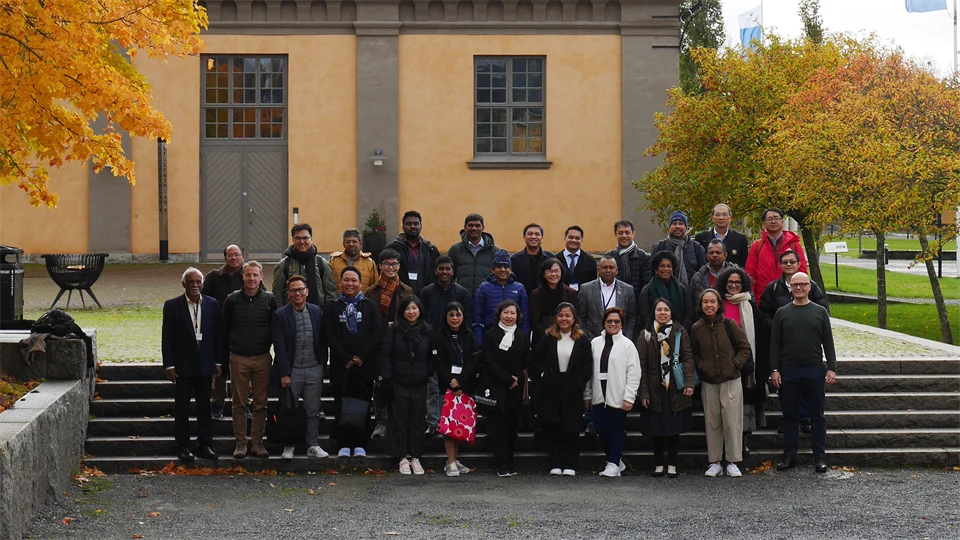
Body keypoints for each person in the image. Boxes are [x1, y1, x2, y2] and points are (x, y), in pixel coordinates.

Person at [770, 272, 838, 473]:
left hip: (814, 369)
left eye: (803, 284)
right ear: (790, 287)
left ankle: (820, 456)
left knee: (817, 415)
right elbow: (775, 344)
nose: (799, 288)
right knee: (790, 415)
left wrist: (832, 367)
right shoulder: (782, 313)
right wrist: (774, 369)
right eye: (795, 284)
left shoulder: (820, 312)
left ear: (809, 287)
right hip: (788, 370)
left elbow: (828, 341)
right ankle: (790, 455)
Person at [759, 249, 827, 435]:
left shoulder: (810, 286)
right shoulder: (772, 288)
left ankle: (805, 419)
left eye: (792, 262)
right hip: (782, 345)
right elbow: (763, 313)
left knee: (806, 387)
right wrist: (780, 326)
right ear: (780, 265)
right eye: (785, 262)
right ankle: (789, 418)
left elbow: (823, 311)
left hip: (807, 347)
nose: (788, 265)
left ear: (798, 264)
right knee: (786, 387)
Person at [162, 268, 222, 462]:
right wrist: (169, 365)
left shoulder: (212, 304)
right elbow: (167, 338)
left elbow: (217, 334)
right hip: (182, 367)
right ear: (184, 284)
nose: (195, 285)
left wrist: (218, 361)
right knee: (182, 408)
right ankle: (183, 446)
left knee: (205, 408)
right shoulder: (172, 306)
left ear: (202, 284)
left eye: (198, 281)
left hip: (205, 366)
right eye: (191, 282)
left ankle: (205, 444)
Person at [690, 289, 751, 478]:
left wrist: (736, 364)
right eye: (705, 302)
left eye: (712, 302)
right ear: (701, 305)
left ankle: (733, 460)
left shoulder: (729, 325)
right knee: (712, 421)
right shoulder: (697, 328)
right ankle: (715, 461)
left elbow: (744, 347)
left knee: (732, 421)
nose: (709, 305)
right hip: (709, 381)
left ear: (718, 304)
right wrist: (702, 366)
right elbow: (694, 353)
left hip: (731, 380)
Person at [323, 267, 382, 459]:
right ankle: (343, 444)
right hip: (342, 366)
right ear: (340, 282)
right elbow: (329, 335)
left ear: (359, 283)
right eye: (346, 280)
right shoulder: (332, 306)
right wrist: (345, 358)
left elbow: (376, 332)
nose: (350, 284)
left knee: (363, 405)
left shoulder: (370, 305)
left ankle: (360, 444)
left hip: (364, 365)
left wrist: (361, 356)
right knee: (341, 404)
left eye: (354, 280)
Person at [222, 261, 279, 459]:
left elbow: (275, 329)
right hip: (238, 358)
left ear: (261, 277)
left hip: (262, 357)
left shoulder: (270, 300)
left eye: (255, 275)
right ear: (243, 277)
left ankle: (257, 442)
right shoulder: (232, 300)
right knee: (238, 403)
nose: (252, 279)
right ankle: (240, 443)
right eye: (248, 275)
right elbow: (225, 329)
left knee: (261, 403)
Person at [271, 275, 330, 460]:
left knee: (313, 409)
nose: (297, 293)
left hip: (314, 368)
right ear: (288, 294)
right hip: (292, 370)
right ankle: (289, 445)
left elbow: (323, 338)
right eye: (293, 290)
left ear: (307, 291)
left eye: (300, 290)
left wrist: (322, 363)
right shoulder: (280, 315)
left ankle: (312, 444)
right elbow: (279, 346)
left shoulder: (316, 311)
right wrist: (284, 373)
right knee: (289, 409)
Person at [637, 299, 695, 478]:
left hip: (674, 387)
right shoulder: (645, 334)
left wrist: (689, 383)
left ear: (672, 312)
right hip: (655, 388)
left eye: (666, 310)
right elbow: (642, 365)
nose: (662, 313)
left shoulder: (680, 332)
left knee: (673, 428)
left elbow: (688, 358)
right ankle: (658, 463)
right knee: (656, 429)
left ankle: (672, 463)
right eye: (659, 310)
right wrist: (643, 391)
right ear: (653, 313)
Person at [535, 303, 592, 476]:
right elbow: (537, 360)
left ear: (574, 318)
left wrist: (579, 383)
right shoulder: (548, 337)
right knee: (554, 427)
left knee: (571, 428)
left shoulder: (582, 339)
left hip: (572, 388)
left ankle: (571, 463)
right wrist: (545, 377)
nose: (564, 319)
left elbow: (587, 364)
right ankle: (555, 462)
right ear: (556, 318)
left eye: (568, 316)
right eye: (561, 315)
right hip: (552, 388)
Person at [715, 267, 768, 454]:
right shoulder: (717, 305)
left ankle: (743, 440)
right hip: (721, 362)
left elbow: (760, 337)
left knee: (745, 403)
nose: (734, 286)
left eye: (738, 282)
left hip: (745, 365)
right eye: (730, 282)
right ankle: (722, 443)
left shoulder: (750, 306)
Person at [418, 256, 473, 434]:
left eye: (447, 269)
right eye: (441, 269)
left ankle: (454, 422)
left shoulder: (462, 292)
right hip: (432, 345)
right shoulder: (426, 292)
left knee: (454, 385)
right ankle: (433, 423)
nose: (444, 272)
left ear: (453, 271)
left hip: (455, 346)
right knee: (433, 387)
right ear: (435, 271)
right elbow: (421, 318)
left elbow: (468, 319)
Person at [475, 300, 530, 477]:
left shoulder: (522, 335)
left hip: (515, 388)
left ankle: (510, 463)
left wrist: (518, 378)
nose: (509, 316)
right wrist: (507, 379)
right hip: (497, 386)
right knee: (498, 429)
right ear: (499, 314)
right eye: (506, 312)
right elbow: (489, 361)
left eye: (513, 313)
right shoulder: (491, 334)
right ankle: (501, 465)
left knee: (512, 427)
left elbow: (528, 362)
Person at [584, 307, 640, 478]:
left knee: (616, 430)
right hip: (598, 396)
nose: (613, 324)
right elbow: (588, 370)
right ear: (604, 323)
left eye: (616, 321)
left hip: (618, 395)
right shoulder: (595, 343)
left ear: (622, 324)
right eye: (609, 321)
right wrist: (587, 394)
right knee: (601, 429)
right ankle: (615, 460)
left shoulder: (627, 345)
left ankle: (613, 463)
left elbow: (634, 372)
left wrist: (629, 397)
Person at [380, 296, 433, 475]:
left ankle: (416, 457)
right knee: (399, 420)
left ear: (420, 310)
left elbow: (432, 355)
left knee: (418, 420)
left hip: (419, 381)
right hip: (398, 381)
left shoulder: (427, 330)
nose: (411, 312)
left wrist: (428, 372)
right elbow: (385, 353)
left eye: (414, 308)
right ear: (402, 311)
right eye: (408, 309)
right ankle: (402, 457)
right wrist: (387, 376)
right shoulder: (393, 329)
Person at [365, 248, 412, 438]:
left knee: (399, 384)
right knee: (379, 385)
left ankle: (397, 420)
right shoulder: (372, 291)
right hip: (379, 344)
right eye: (386, 264)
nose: (390, 268)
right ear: (380, 266)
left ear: (399, 266)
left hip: (400, 343)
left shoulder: (406, 291)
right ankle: (381, 421)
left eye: (394, 264)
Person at [431, 301, 481, 477]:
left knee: (459, 425)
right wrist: (451, 381)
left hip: (465, 385)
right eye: (451, 315)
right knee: (448, 426)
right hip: (446, 387)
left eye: (458, 315)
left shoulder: (468, 335)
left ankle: (454, 459)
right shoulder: (438, 336)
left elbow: (474, 359)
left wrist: (461, 380)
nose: (455, 318)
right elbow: (438, 363)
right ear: (445, 317)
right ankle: (450, 461)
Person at [202, 244, 245, 419]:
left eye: (237, 255)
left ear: (242, 257)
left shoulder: (248, 275)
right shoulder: (214, 277)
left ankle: (243, 404)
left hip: (242, 332)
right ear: (225, 258)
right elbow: (204, 301)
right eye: (230, 255)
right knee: (218, 370)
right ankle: (217, 404)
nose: (234, 258)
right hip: (218, 331)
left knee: (241, 372)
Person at [745, 208, 808, 298]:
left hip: (790, 293)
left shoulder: (793, 244)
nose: (773, 221)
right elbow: (750, 273)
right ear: (764, 223)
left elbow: (802, 269)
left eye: (776, 218)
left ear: (782, 222)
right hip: (764, 295)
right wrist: (751, 295)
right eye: (769, 219)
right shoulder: (757, 246)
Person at [473, 249, 530, 347]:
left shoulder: (519, 288)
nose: (503, 269)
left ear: (510, 269)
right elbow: (477, 318)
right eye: (499, 266)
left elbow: (525, 319)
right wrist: (480, 343)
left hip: (514, 338)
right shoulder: (483, 288)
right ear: (492, 269)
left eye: (506, 266)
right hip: (490, 338)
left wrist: (525, 342)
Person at [273, 223, 337, 306]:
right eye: (298, 238)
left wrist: (327, 314)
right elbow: (277, 293)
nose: (302, 242)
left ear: (311, 239)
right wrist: (281, 314)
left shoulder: (322, 264)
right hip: (291, 315)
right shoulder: (283, 265)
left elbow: (330, 293)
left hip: (318, 314)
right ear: (293, 239)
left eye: (305, 238)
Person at [578, 256, 638, 340]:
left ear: (616, 271)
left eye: (611, 267)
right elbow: (581, 317)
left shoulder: (627, 290)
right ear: (598, 270)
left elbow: (631, 317)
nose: (608, 270)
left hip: (620, 339)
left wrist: (626, 337)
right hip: (593, 339)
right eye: (604, 267)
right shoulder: (586, 289)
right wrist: (586, 337)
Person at [385, 210, 441, 295]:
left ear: (421, 226)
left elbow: (438, 276)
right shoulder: (391, 249)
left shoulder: (431, 250)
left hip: (426, 298)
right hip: (398, 296)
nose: (413, 226)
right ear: (403, 226)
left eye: (416, 223)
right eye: (409, 224)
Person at [638, 251, 695, 331]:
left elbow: (689, 314)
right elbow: (645, 317)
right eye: (662, 266)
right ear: (656, 269)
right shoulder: (647, 291)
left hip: (679, 334)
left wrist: (681, 331)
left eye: (669, 266)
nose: (666, 269)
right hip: (654, 334)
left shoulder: (682, 289)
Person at [529, 258, 579, 347]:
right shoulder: (536, 294)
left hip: (566, 337)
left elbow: (575, 317)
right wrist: (549, 335)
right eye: (549, 271)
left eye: (556, 271)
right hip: (542, 339)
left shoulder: (571, 293)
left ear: (561, 273)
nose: (553, 274)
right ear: (544, 274)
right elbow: (535, 321)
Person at [448, 213, 499, 297]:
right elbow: (449, 276)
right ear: (465, 227)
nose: (474, 228)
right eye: (470, 225)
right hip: (461, 299)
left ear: (483, 228)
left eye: (478, 225)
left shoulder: (495, 251)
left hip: (486, 298)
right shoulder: (455, 250)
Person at [651, 211, 706, 287]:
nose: (677, 226)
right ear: (669, 227)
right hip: (665, 294)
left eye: (681, 223)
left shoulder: (697, 248)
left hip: (691, 294)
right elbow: (651, 274)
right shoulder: (659, 247)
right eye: (674, 223)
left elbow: (703, 276)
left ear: (686, 227)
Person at [606, 219, 651, 304]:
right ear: (615, 234)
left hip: (638, 303)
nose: (624, 236)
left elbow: (647, 285)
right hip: (613, 302)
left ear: (633, 234)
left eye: (627, 232)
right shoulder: (609, 256)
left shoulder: (644, 257)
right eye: (620, 233)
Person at [510, 223, 556, 297]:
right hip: (522, 299)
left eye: (537, 234)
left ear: (542, 237)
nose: (533, 237)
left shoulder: (550, 258)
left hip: (546, 299)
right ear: (524, 237)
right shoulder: (515, 259)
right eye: (530, 234)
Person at [330, 229, 379, 293]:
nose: (351, 244)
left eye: (354, 241)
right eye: (348, 242)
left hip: (362, 301)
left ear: (360, 244)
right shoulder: (334, 261)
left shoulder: (369, 263)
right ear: (343, 244)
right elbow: (329, 285)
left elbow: (374, 286)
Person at [558, 226, 598, 292]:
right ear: (565, 239)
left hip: (582, 299)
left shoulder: (590, 261)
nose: (574, 240)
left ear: (582, 241)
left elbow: (593, 284)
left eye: (577, 238)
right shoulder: (555, 259)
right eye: (570, 237)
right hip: (560, 297)